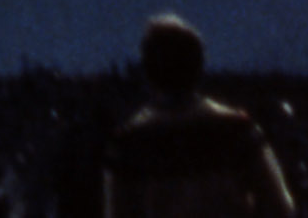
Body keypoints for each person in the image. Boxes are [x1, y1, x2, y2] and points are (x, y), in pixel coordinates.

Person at [102, 16, 295, 217]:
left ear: (148, 72)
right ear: (200, 66)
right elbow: (280, 207)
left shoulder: (128, 143)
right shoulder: (236, 129)